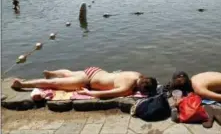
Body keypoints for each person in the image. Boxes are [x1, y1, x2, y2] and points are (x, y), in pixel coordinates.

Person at [11, 67, 158, 98]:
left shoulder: (137, 74)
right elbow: (104, 94)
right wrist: (87, 92)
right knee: (55, 84)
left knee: (68, 74)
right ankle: (22, 85)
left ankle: (52, 72)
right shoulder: (127, 88)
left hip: (95, 71)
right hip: (88, 81)